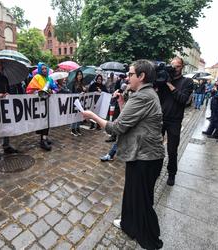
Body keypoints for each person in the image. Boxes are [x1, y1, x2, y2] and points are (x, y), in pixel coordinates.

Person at [83, 59, 165, 250]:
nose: (127, 77)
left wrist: (93, 117)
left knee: (142, 200)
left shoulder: (142, 96)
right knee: (131, 194)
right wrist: (121, 102)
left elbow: (116, 127)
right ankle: (129, 225)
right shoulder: (143, 94)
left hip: (146, 157)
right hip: (140, 155)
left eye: (130, 74)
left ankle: (150, 240)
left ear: (141, 76)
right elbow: (129, 119)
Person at [157, 56, 193, 186]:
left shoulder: (187, 82)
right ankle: (156, 170)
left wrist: (169, 84)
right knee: (156, 147)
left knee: (172, 149)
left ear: (182, 67)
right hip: (160, 118)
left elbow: (183, 99)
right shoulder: (163, 79)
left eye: (177, 66)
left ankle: (172, 173)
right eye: (172, 66)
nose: (174, 68)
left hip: (175, 121)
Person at [26, 62, 57, 150]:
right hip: (39, 104)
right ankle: (42, 141)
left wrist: (52, 91)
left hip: (48, 103)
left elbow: (55, 89)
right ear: (39, 69)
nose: (44, 70)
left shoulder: (49, 78)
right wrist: (39, 92)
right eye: (42, 69)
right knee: (42, 122)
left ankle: (45, 137)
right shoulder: (36, 77)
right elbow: (29, 90)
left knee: (47, 122)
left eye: (45, 68)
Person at [70, 70, 87, 136]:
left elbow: (85, 93)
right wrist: (79, 93)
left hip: (81, 101)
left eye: (81, 74)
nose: (79, 76)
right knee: (75, 115)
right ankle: (73, 129)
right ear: (76, 76)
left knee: (80, 115)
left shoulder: (82, 83)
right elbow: (73, 93)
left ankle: (77, 127)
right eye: (78, 74)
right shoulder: (74, 83)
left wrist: (85, 90)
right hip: (75, 101)